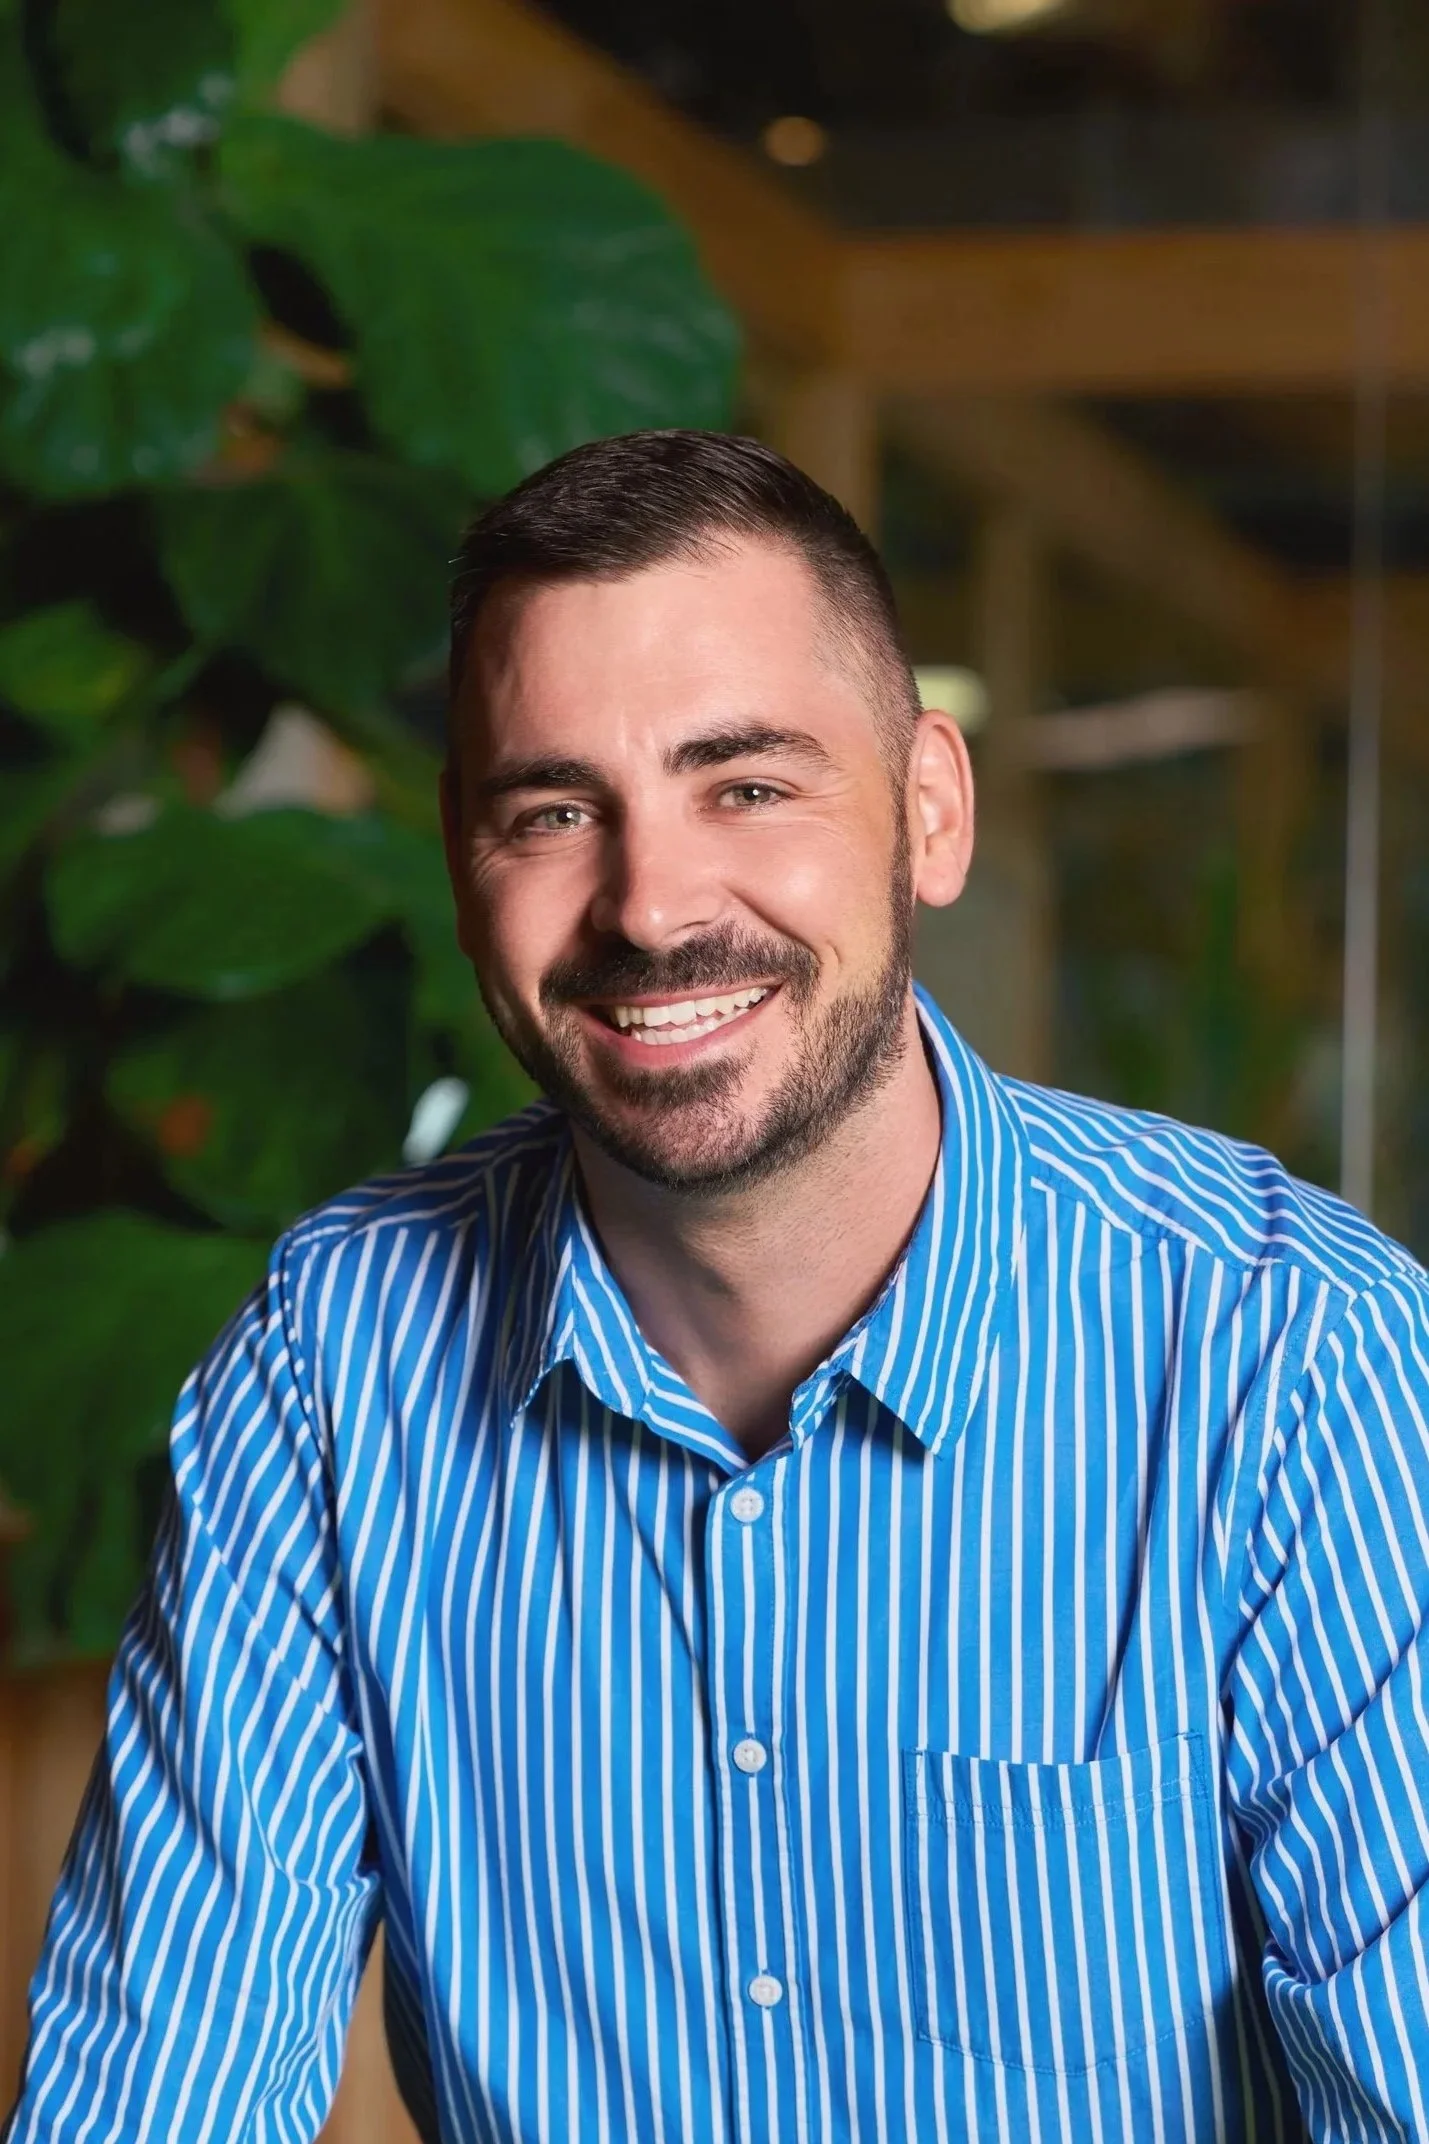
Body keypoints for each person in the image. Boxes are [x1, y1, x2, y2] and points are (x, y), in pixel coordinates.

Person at [6, 431, 1428, 2144]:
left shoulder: (1291, 1360)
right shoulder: (336, 1365)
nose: (654, 903)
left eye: (744, 784)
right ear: (466, 866)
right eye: (554, 810)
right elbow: (162, 2085)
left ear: (931, 809)